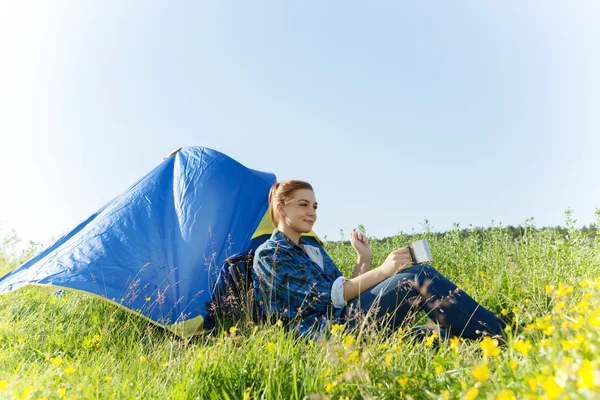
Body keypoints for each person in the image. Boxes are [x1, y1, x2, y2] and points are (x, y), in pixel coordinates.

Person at [251, 180, 506, 339]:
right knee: (417, 278)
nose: (312, 213)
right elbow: (329, 297)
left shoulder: (311, 249)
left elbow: (345, 290)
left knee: (433, 338)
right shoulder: (270, 254)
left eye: (315, 206)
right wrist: (385, 270)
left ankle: (492, 333)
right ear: (281, 209)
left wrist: (364, 260)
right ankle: (504, 332)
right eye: (304, 205)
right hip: (320, 334)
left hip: (342, 322)